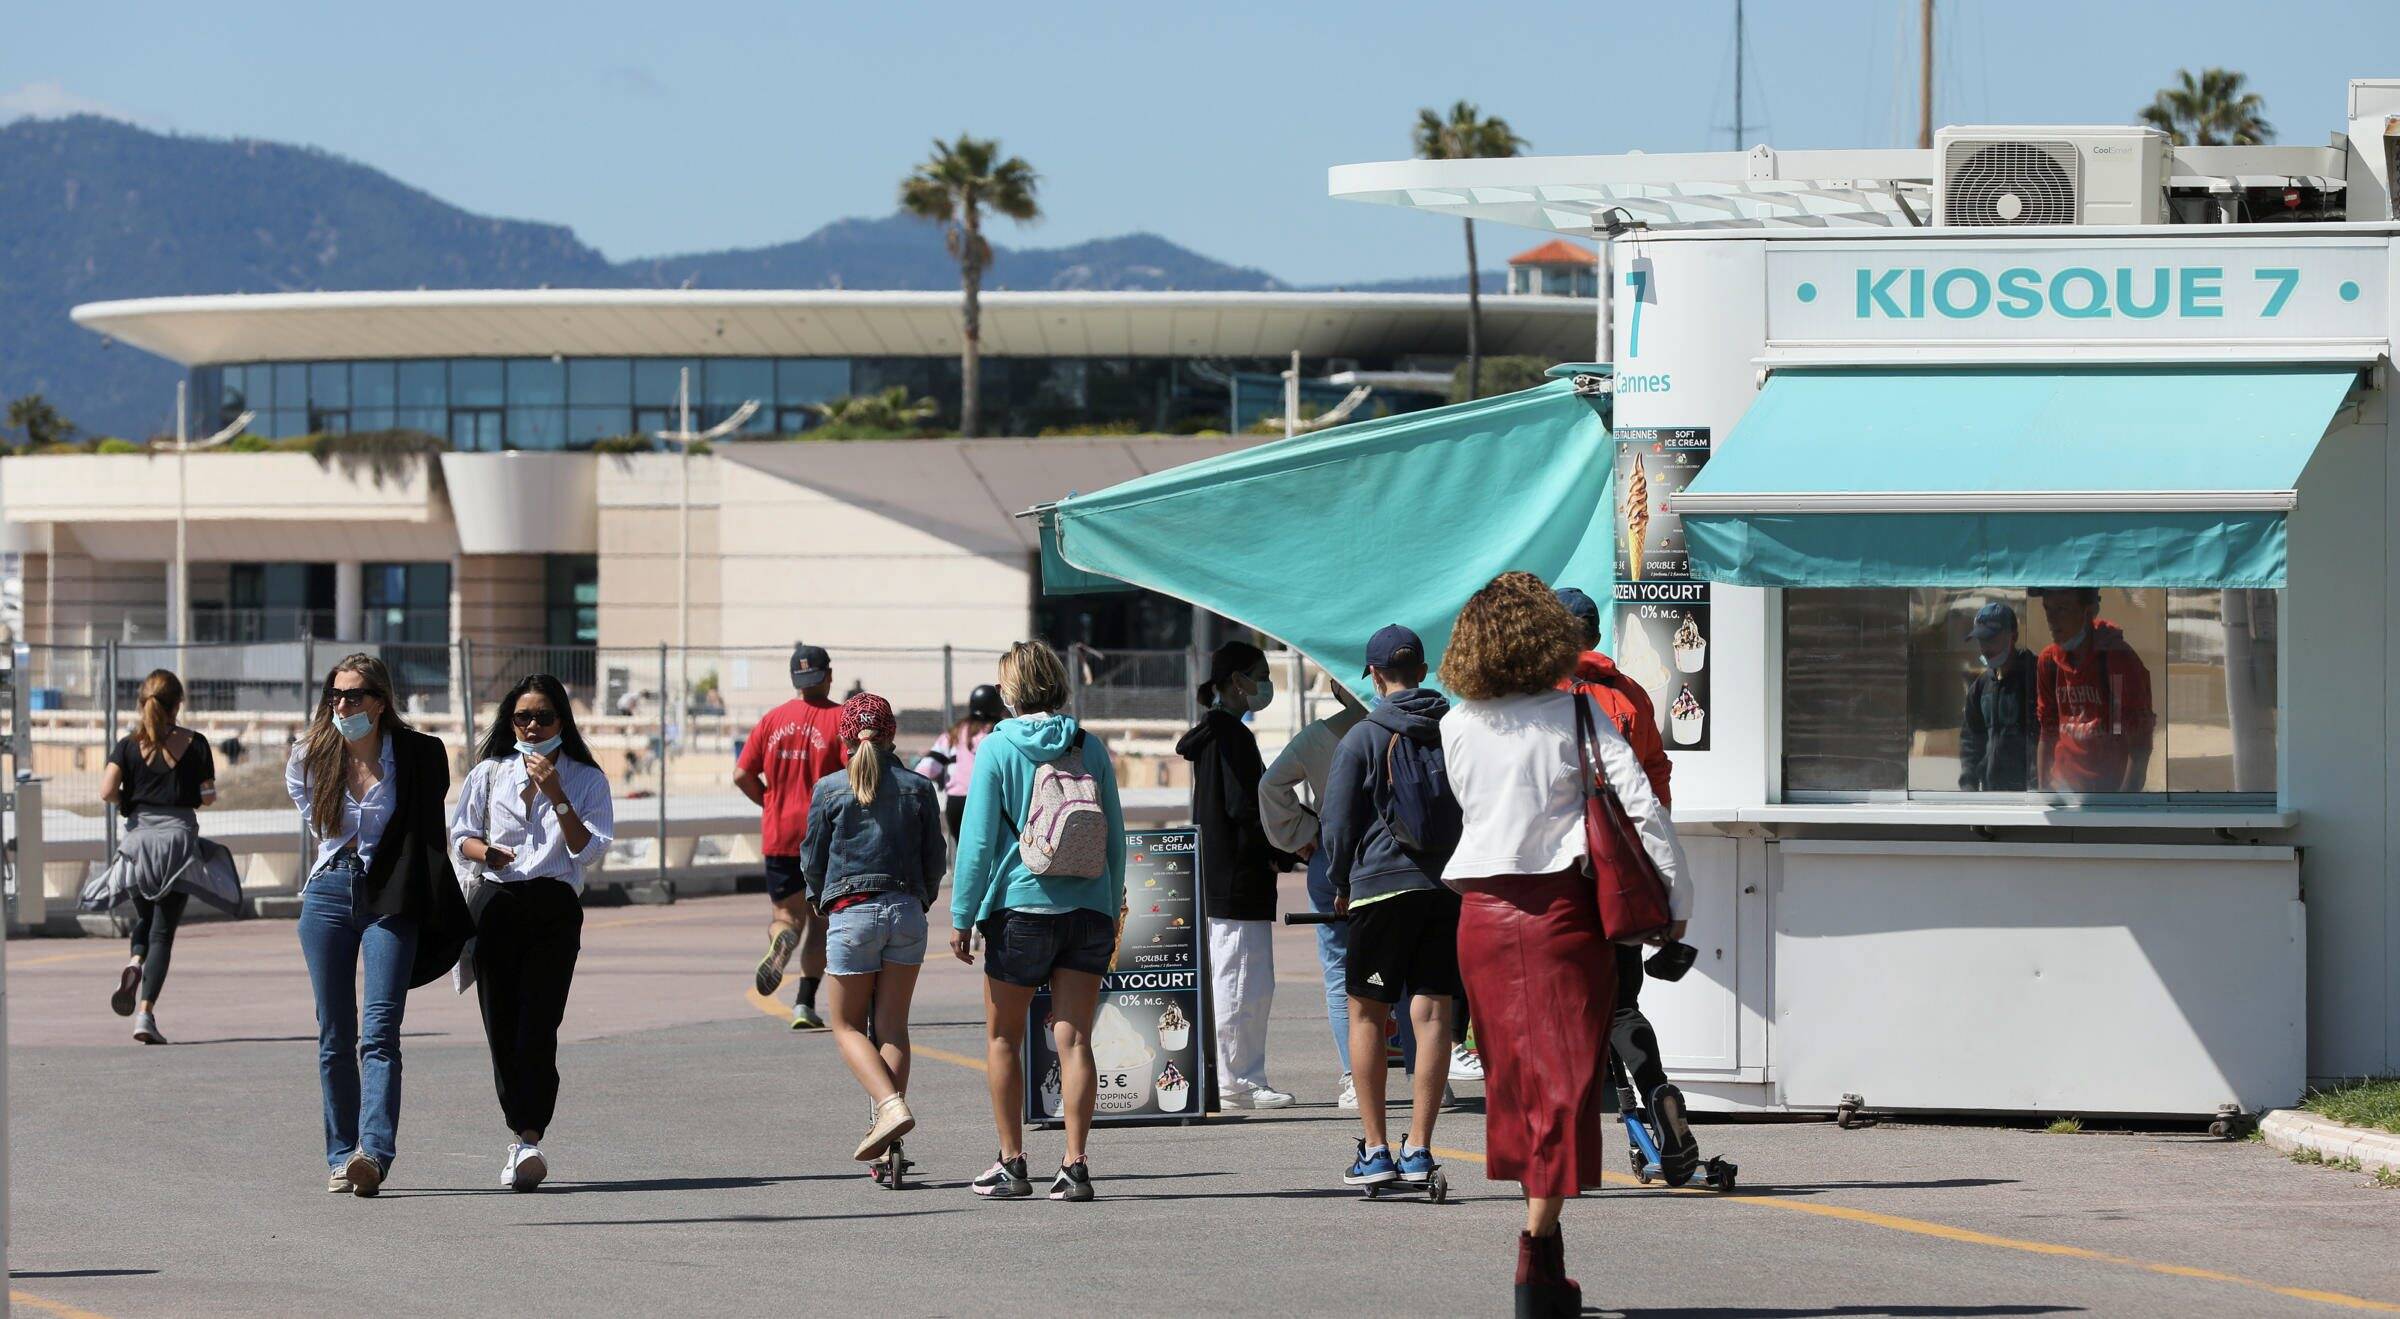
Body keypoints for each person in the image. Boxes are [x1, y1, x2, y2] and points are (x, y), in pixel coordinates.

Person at [1439, 573, 1689, 1316]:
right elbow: (1643, 809)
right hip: (1562, 917)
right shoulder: (1579, 715)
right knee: (1568, 1085)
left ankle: (1545, 1263)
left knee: (1519, 1086)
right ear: (1548, 637)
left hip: (1482, 918)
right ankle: (1533, 1254)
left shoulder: (1457, 724)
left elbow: (1473, 810)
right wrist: (1677, 903)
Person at [949, 641, 1127, 1202]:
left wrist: (962, 914)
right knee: (1073, 1040)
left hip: (1021, 907)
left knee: (1004, 1036)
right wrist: (1110, 897)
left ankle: (1012, 1162)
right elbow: (1115, 834)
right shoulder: (1088, 745)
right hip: (1088, 908)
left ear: (1010, 691)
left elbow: (976, 841)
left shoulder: (997, 747)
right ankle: (1075, 1165)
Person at [285, 654, 469, 1197]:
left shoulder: (418, 754)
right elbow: (319, 826)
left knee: (380, 1032)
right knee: (334, 1033)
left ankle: (374, 1153)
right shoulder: (310, 757)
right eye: (335, 695)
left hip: (391, 895)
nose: (343, 704)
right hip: (327, 892)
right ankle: (341, 1155)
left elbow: (430, 833)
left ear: (381, 701)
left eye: (354, 695)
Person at [450, 674, 616, 1192]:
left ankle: (530, 1135)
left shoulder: (586, 778)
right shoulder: (488, 773)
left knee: (539, 1024)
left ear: (561, 721)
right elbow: (460, 836)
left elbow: (590, 850)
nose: (533, 725)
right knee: (501, 1026)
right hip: (497, 902)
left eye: (543, 716)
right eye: (523, 717)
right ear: (510, 722)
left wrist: (557, 794)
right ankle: (517, 1137)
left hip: (553, 905)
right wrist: (487, 853)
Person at [1555, 584, 1695, 1180]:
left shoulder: (1546, 697)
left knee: (1562, 1008)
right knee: (1621, 1004)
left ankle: (1566, 1142)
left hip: (1563, 875)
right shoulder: (1630, 692)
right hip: (1621, 876)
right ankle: (1654, 1087)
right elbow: (1656, 782)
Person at [1317, 624, 1460, 1188]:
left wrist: (1339, 879)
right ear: (1423, 671)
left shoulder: (1362, 737)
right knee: (1432, 1015)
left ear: (1374, 675)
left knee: (1368, 1012)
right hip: (1444, 887)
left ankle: (1376, 1149)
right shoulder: (1455, 730)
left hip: (1380, 887)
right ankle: (1421, 1148)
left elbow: (1337, 822)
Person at [804, 693, 947, 1166]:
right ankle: (889, 1142)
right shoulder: (919, 787)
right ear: (892, 735)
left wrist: (820, 900)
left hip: (853, 914)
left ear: (844, 738)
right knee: (892, 1027)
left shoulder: (829, 789)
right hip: (906, 910)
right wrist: (920, 900)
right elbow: (934, 857)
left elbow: (813, 858)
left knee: (846, 1025)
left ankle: (889, 1109)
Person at [87, 669, 238, 1045]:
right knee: (163, 932)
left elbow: (106, 790)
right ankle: (145, 1014)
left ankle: (135, 961)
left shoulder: (127, 744)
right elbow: (207, 797)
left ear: (143, 703)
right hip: (177, 844)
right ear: (178, 704)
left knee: (145, 916)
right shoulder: (197, 744)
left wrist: (129, 805)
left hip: (138, 843)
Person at [1178, 641, 1294, 1109]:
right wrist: (1281, 849)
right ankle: (1238, 1078)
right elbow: (1246, 808)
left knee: (1241, 978)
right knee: (1242, 981)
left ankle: (1238, 1073)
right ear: (1236, 682)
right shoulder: (1231, 738)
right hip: (1237, 879)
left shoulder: (1217, 734)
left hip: (1224, 877)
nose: (1264, 684)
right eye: (1259, 674)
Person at [1257, 680, 1369, 1107]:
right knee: (1406, 966)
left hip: (1332, 853)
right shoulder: (1400, 724)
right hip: (1395, 856)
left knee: (1340, 970)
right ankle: (1426, 1069)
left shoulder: (1317, 736)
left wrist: (1302, 834)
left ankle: (1353, 1077)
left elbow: (1271, 786)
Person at [735, 643, 848, 1028]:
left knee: (786, 915)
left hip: (779, 830)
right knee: (820, 922)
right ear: (828, 675)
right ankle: (804, 1002)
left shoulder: (771, 720)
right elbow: (855, 775)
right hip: (824, 835)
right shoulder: (839, 720)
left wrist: (767, 801)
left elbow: (741, 774)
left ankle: (781, 938)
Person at [2032, 588, 2156, 794]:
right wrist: (2043, 792)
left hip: (2106, 797)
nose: (2051, 618)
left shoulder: (2118, 660)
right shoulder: (2048, 661)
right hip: (2062, 792)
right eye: (2047, 608)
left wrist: (2123, 805)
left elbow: (2140, 744)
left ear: (2088, 612)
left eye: (2062, 609)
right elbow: (2047, 730)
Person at [1960, 601, 2039, 792]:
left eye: (1991, 640)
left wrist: (2038, 787)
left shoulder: (2035, 677)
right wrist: (1968, 784)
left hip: (2029, 797)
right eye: (1981, 640)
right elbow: (1971, 739)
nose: (1985, 648)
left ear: (2014, 637)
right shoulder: (1980, 687)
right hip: (1992, 795)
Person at [915, 683, 1006, 842]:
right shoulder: (999, 732)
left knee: (965, 853)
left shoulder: (955, 733)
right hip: (987, 801)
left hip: (957, 804)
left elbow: (926, 768)